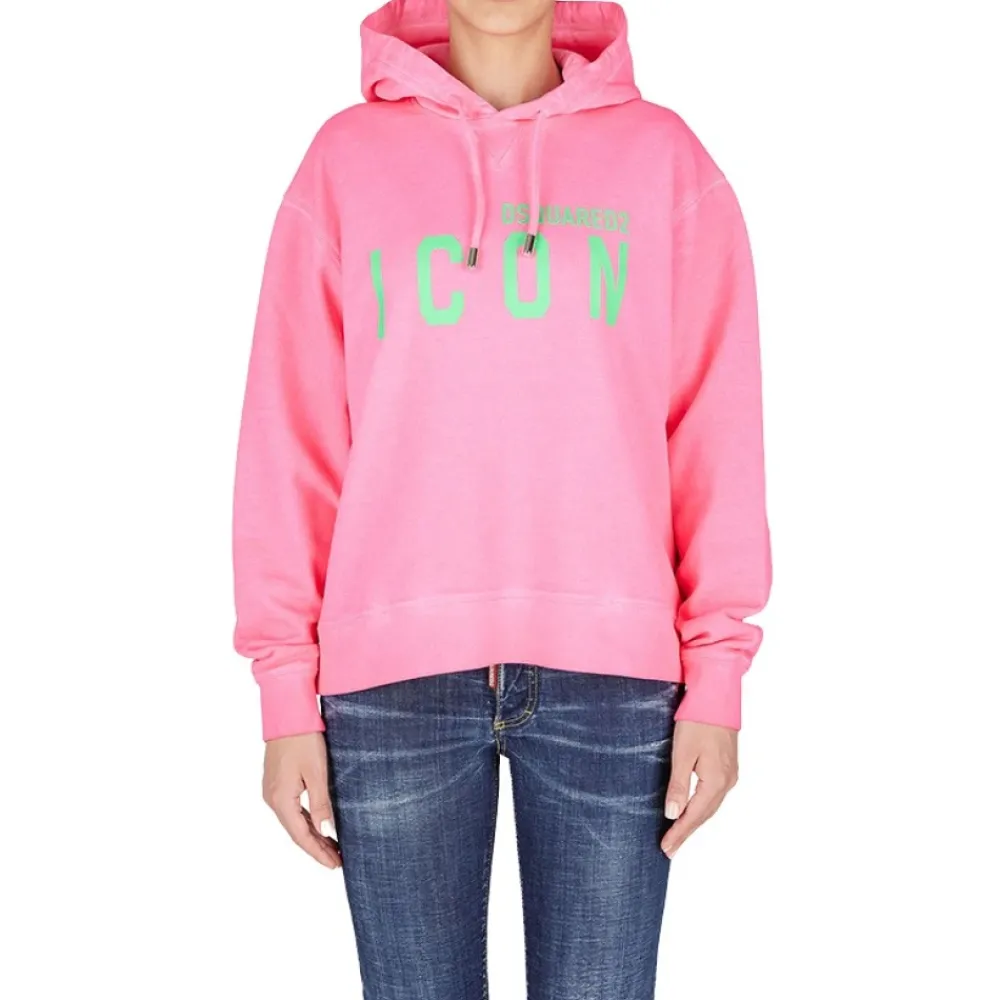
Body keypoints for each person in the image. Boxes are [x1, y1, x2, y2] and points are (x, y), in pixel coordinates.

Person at [232, 0, 771, 995]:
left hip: (614, 677)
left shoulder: (663, 159)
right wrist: (283, 692)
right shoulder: (344, 161)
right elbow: (291, 432)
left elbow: (714, 427)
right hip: (388, 681)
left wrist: (719, 673)